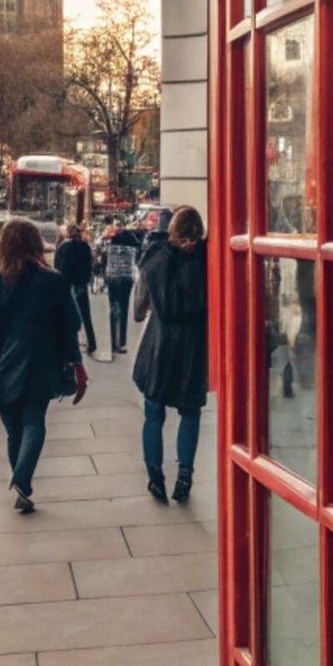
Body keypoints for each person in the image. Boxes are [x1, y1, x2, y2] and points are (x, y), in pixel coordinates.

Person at [0, 218, 87, 513]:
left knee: (14, 430)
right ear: (36, 243)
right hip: (42, 361)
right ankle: (22, 480)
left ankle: (21, 480)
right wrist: (76, 363)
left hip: (5, 365)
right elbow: (71, 324)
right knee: (34, 422)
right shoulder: (53, 280)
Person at [133, 204, 208, 504]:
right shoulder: (209, 259)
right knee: (190, 410)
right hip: (194, 344)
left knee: (154, 410)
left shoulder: (155, 258)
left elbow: (139, 310)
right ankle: (184, 476)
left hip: (160, 342)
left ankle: (155, 477)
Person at [53, 218, 98, 355]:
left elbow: (58, 265)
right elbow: (91, 264)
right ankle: (92, 343)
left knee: (68, 316)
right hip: (81, 284)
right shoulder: (85, 246)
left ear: (68, 232)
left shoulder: (64, 247)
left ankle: (69, 344)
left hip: (68, 285)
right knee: (86, 315)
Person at [103, 217, 142, 355]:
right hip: (126, 278)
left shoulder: (112, 241)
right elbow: (138, 257)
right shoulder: (132, 241)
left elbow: (104, 259)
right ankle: (121, 343)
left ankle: (113, 341)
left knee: (113, 308)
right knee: (124, 309)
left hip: (112, 276)